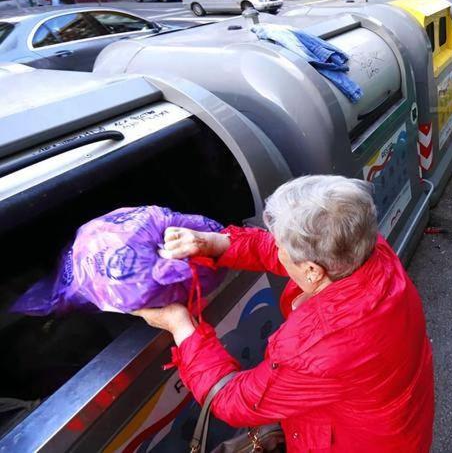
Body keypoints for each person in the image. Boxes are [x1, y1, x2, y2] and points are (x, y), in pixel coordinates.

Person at [132, 175, 435, 452]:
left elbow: (234, 401)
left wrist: (180, 325)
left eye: (281, 247)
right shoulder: (364, 249)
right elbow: (287, 248)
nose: (275, 248)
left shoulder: (321, 346)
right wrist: (214, 243)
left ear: (313, 271)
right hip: (396, 426)